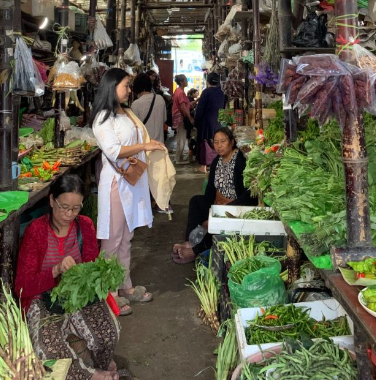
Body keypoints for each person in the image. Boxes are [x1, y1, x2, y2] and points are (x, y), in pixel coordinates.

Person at [15, 175, 123, 380]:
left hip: (77, 296)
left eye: (75, 208)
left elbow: (91, 269)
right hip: (43, 299)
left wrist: (83, 273)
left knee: (109, 332)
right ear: (51, 201)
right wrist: (55, 271)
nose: (68, 214)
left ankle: (102, 363)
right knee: (50, 348)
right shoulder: (36, 231)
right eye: (63, 207)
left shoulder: (85, 226)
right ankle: (91, 375)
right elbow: (22, 286)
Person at [92, 68, 175, 305]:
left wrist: (147, 146)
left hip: (132, 181)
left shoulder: (126, 113)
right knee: (112, 239)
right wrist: (144, 147)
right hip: (117, 183)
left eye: (129, 86)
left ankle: (125, 286)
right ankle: (109, 292)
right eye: (125, 86)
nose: (129, 90)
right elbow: (114, 151)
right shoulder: (102, 118)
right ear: (112, 86)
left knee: (126, 237)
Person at [172, 127, 257, 264]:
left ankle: (195, 251)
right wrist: (208, 214)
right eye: (216, 142)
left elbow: (248, 194)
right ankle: (190, 241)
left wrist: (221, 211)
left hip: (236, 207)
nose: (219, 145)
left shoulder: (240, 161)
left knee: (220, 221)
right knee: (196, 201)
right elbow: (210, 191)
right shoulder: (217, 161)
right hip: (218, 204)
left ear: (232, 142)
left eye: (223, 141)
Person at [194, 72, 226, 173]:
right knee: (217, 142)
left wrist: (196, 122)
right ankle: (217, 164)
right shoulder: (222, 93)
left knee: (206, 143)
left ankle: (204, 167)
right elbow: (224, 107)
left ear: (208, 81)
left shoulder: (206, 92)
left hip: (206, 123)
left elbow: (200, 109)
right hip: (218, 122)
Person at [131, 73, 167, 144]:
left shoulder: (135, 104)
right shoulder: (160, 99)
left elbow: (134, 129)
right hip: (159, 145)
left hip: (144, 147)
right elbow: (164, 119)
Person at [172, 74, 194, 165]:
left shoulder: (177, 91)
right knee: (181, 139)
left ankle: (178, 157)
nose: (187, 81)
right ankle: (178, 159)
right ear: (181, 82)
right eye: (185, 80)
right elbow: (183, 108)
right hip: (181, 118)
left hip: (178, 118)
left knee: (180, 138)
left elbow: (186, 105)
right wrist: (190, 118)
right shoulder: (180, 93)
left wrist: (196, 101)